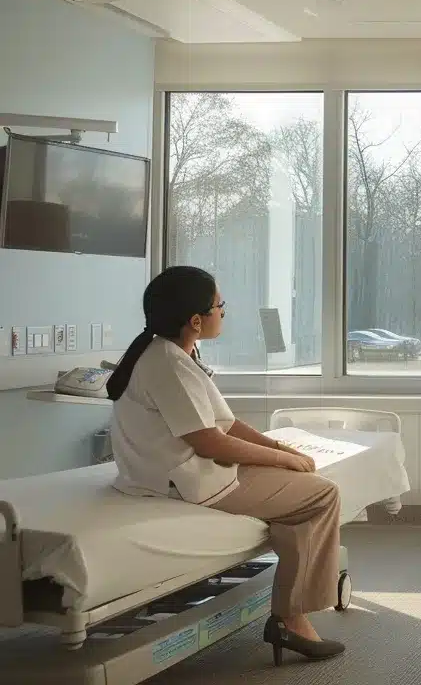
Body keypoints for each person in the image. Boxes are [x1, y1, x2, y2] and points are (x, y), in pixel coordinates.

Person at [106, 266, 345, 665]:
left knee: (296, 499)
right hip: (184, 482)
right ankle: (292, 618)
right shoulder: (167, 364)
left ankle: (291, 612)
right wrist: (287, 460)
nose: (224, 311)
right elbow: (209, 441)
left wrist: (276, 446)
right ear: (196, 320)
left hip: (170, 473)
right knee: (323, 495)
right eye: (220, 305)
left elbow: (225, 422)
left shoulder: (168, 353)